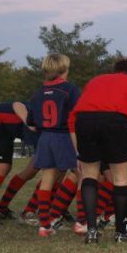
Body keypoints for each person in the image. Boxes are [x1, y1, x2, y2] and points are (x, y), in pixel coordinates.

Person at [68, 58, 127, 244]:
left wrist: (78, 153)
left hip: (85, 121)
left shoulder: (96, 80)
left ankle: (91, 231)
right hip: (114, 121)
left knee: (89, 175)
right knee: (121, 178)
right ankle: (121, 232)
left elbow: (72, 119)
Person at [28, 53, 80, 238]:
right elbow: (78, 114)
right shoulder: (70, 89)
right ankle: (82, 221)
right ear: (63, 70)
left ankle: (44, 225)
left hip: (45, 138)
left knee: (47, 179)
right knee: (81, 174)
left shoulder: (37, 93)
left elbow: (31, 121)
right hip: (64, 136)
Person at [0, 102, 38, 225]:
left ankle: (1, 209)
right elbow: (17, 104)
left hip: (8, 127)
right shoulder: (41, 116)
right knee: (3, 167)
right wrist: (27, 121)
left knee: (31, 170)